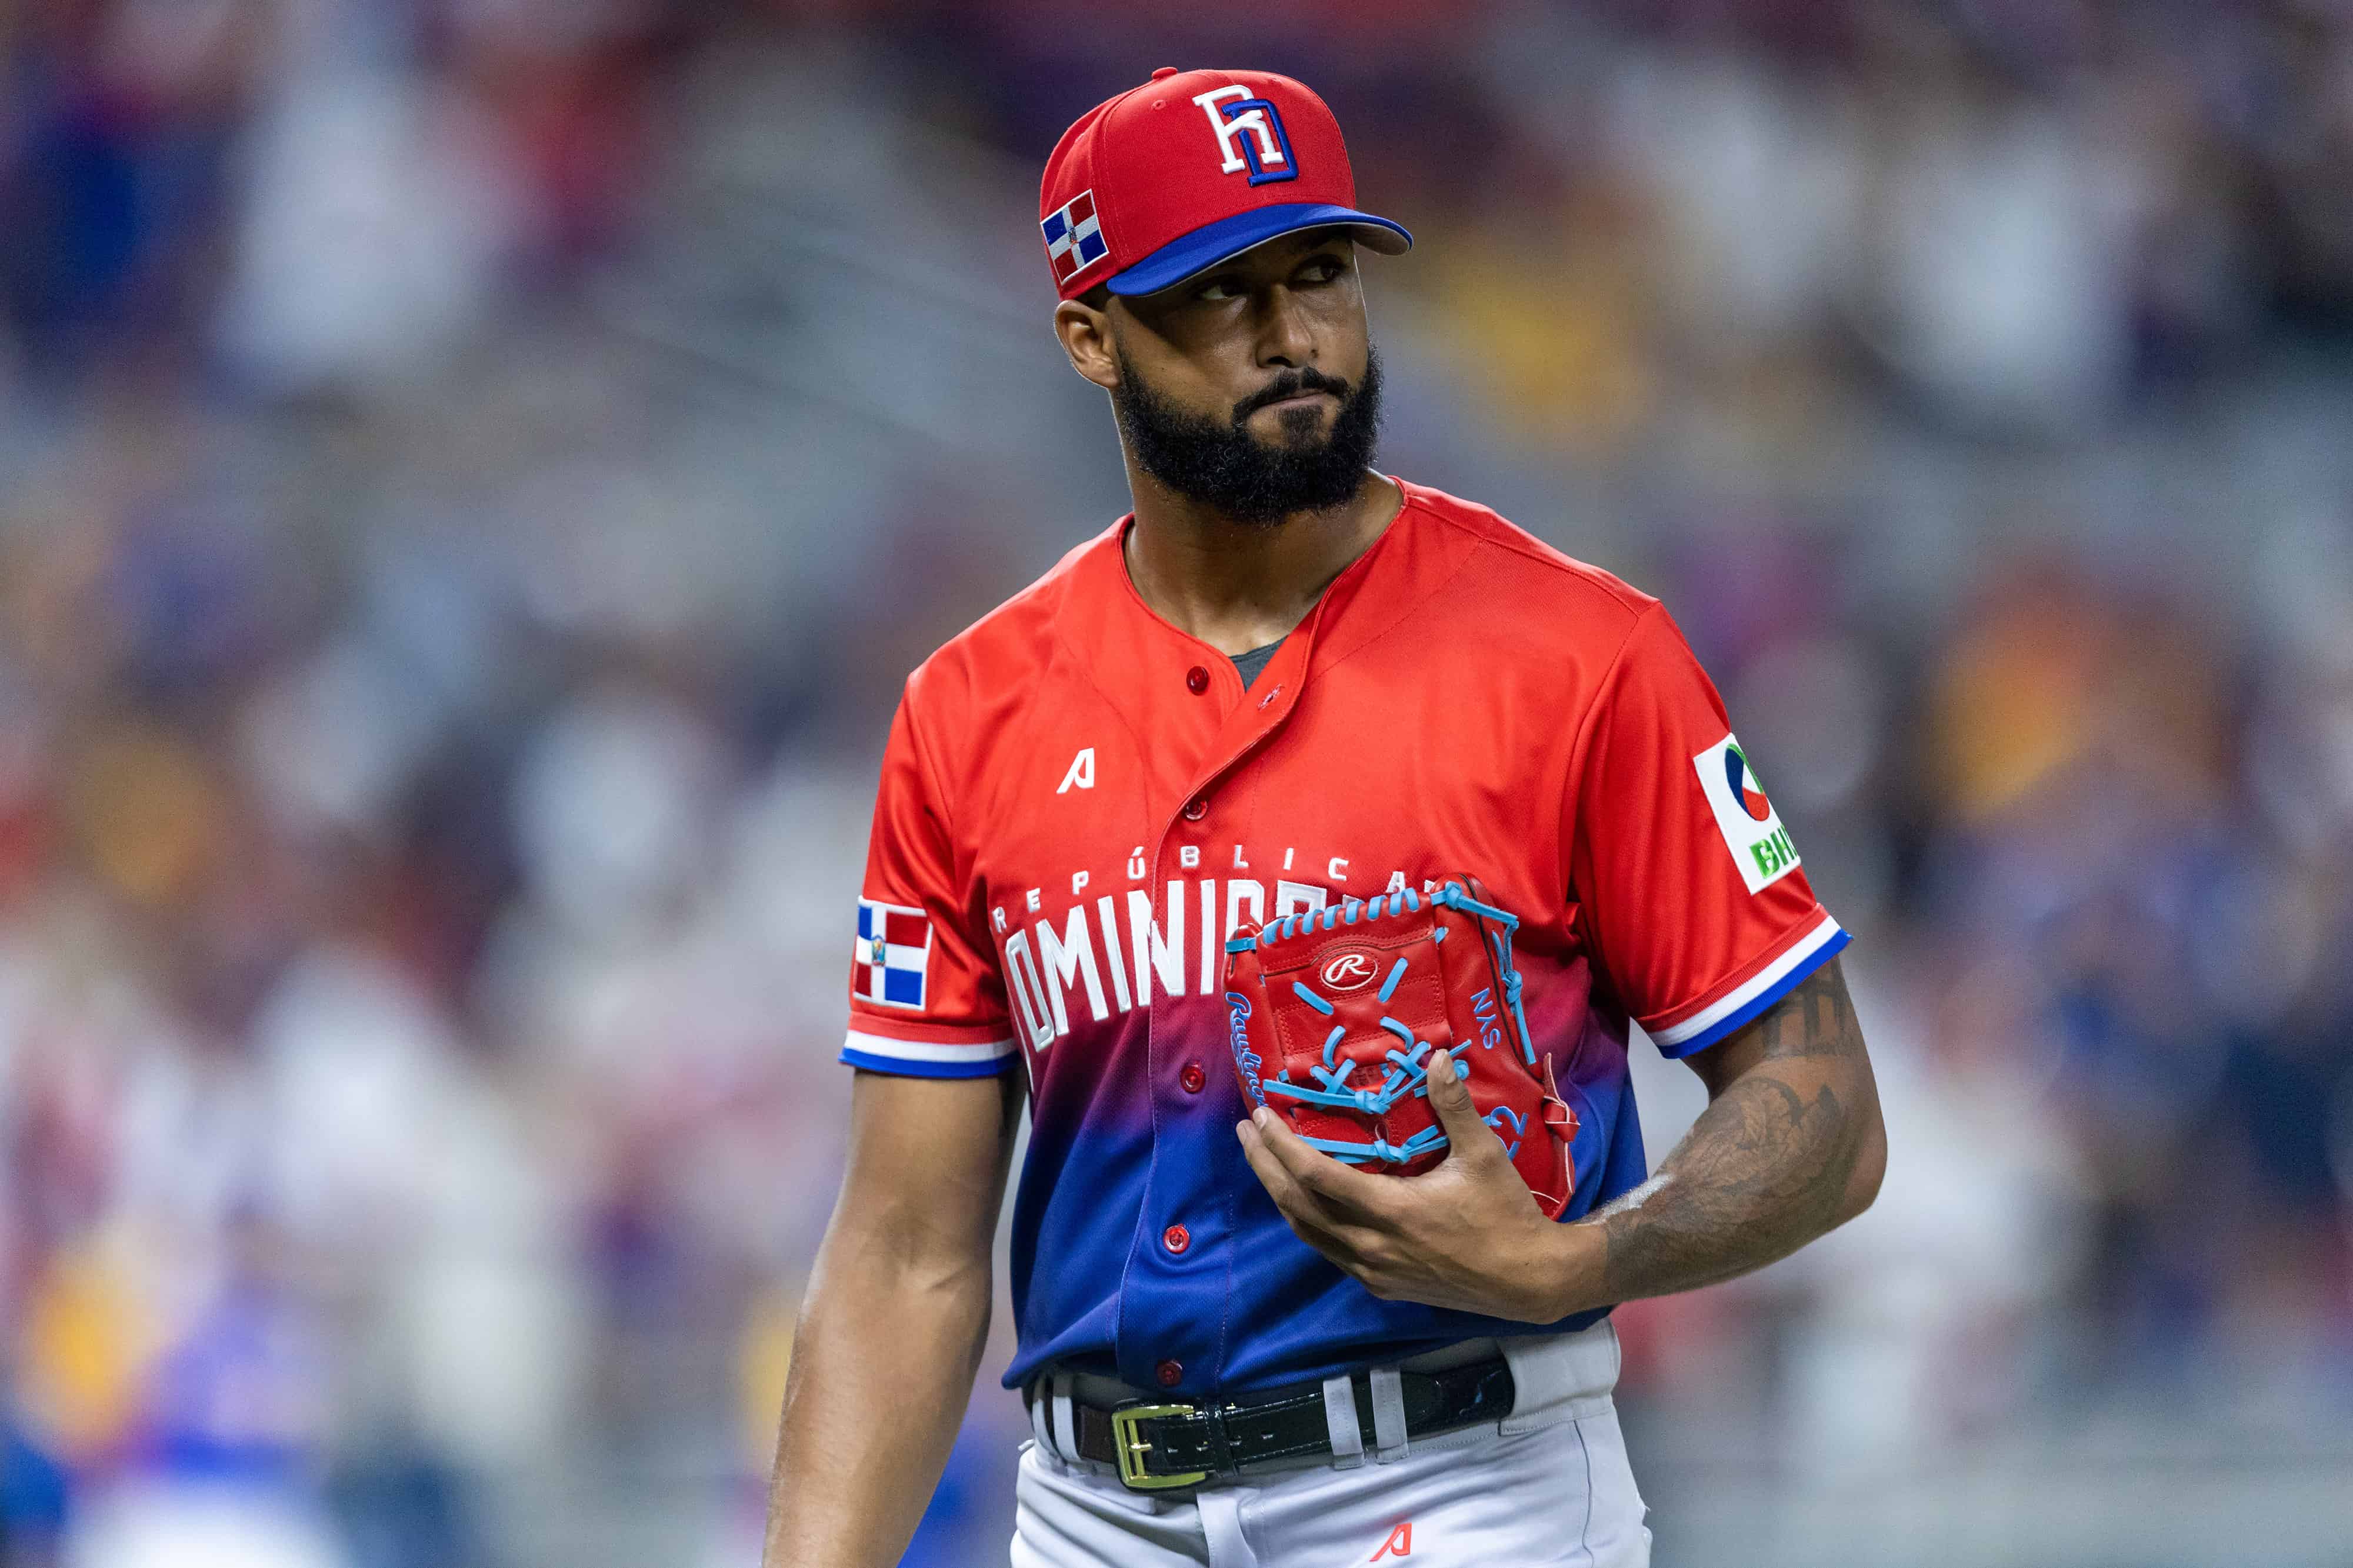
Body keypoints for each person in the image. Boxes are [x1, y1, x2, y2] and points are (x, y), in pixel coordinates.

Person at [764, 66, 1885, 1567]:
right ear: (1091, 337)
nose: (1292, 335)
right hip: (1091, 1513)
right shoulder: (968, 714)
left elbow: (1825, 1108)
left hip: (1467, 1481)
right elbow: (903, 1254)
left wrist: (1577, 1260)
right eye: (1218, 293)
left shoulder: (1579, 657)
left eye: (1319, 273)